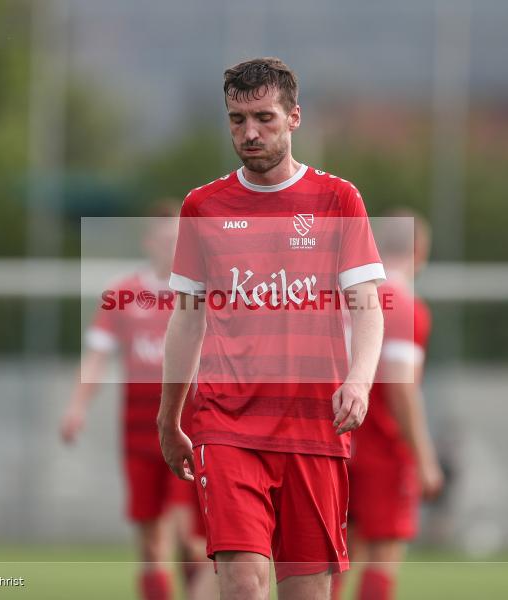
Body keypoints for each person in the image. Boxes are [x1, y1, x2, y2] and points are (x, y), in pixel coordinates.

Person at [158, 57, 385, 600]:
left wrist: (358, 381)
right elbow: (187, 321)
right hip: (228, 424)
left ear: (294, 118)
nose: (249, 132)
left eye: (264, 117)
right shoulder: (202, 207)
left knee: (306, 591)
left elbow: (368, 307)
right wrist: (170, 416)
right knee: (242, 582)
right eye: (237, 120)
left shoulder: (337, 200)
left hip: (313, 428)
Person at [60, 207, 214, 600]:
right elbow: (97, 356)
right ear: (150, 243)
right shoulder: (123, 291)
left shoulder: (205, 294)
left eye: (181, 242)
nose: (174, 248)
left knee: (188, 534)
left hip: (191, 426)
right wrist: (77, 407)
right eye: (166, 241)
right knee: (150, 542)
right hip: (139, 428)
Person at [336, 210, 443, 600]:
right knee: (383, 557)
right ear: (421, 252)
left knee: (336, 557)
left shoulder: (345, 298)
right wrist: (425, 458)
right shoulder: (403, 303)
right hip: (383, 449)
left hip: (335, 443)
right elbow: (401, 387)